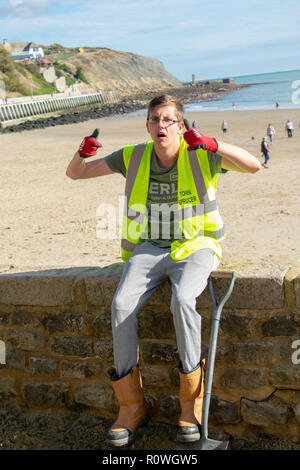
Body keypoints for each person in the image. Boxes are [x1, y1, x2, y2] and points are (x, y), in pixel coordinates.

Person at [66, 94, 261, 447]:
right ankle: (131, 406)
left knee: (183, 299)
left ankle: (191, 406)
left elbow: (253, 166)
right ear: (147, 125)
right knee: (121, 305)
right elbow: (75, 174)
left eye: (169, 119)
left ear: (181, 126)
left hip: (197, 246)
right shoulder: (134, 156)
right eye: (155, 118)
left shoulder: (201, 153)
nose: (161, 125)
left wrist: (213, 143)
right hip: (148, 250)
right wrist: (84, 151)